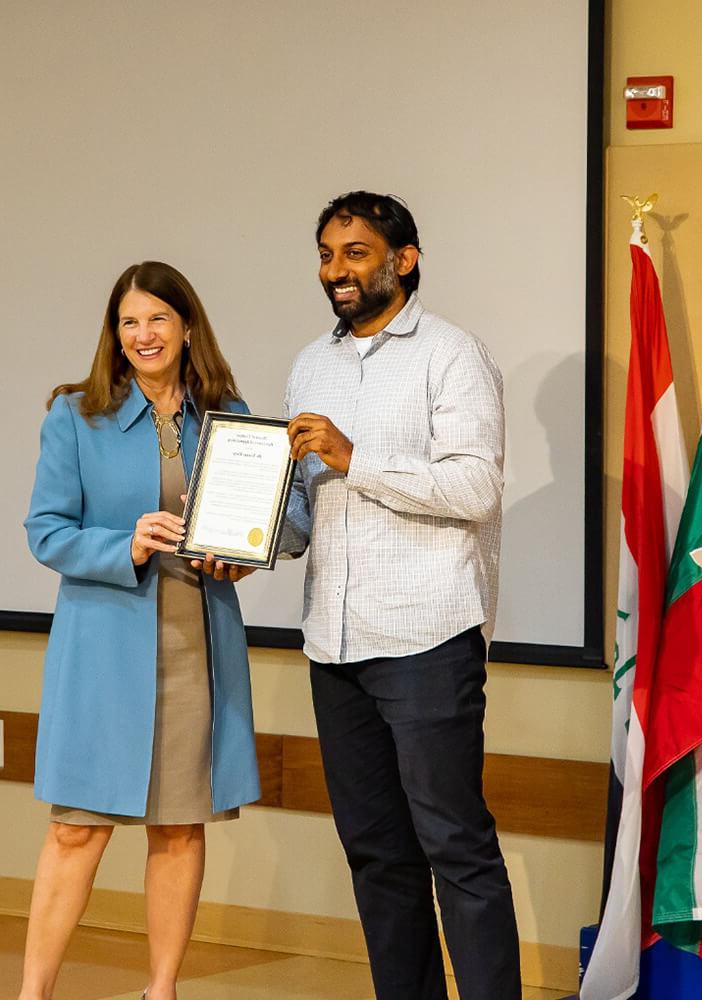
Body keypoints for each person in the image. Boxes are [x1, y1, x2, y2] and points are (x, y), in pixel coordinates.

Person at [281, 191, 520, 1000]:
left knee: (455, 847)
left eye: (354, 252)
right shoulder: (310, 364)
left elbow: (475, 487)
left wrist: (356, 456)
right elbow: (311, 507)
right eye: (325, 254)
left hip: (425, 639)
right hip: (334, 645)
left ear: (403, 259)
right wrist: (249, 540)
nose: (335, 270)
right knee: (377, 854)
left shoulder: (452, 354)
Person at [19, 261, 260, 1000]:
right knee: (75, 831)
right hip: (103, 654)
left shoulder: (230, 413)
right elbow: (45, 531)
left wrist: (244, 557)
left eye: (157, 318)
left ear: (187, 327)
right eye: (129, 321)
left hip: (195, 646)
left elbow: (284, 519)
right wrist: (123, 542)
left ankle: (163, 990)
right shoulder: (75, 414)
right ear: (114, 333)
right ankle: (34, 994)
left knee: (181, 829)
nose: (143, 335)